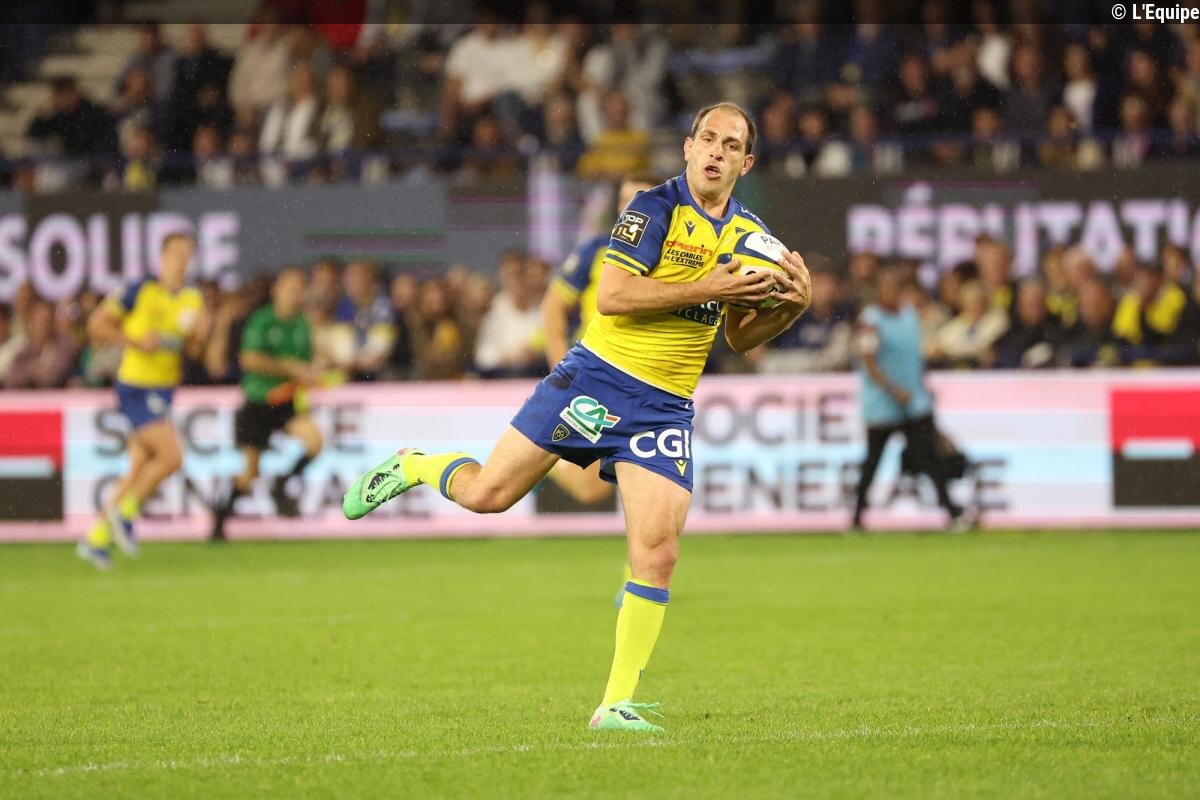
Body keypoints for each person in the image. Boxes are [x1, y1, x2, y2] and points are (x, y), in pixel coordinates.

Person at [340, 102, 812, 732]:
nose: (717, 152)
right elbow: (612, 297)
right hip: (596, 379)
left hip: (664, 407)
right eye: (708, 138)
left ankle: (614, 704)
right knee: (487, 495)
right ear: (688, 146)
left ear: (746, 163)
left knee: (657, 553)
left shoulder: (751, 237)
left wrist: (792, 307)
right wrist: (710, 287)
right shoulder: (653, 208)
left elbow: (739, 338)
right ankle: (414, 465)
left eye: (731, 145)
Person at [78, 233, 209, 569]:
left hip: (164, 389)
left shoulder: (193, 299)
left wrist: (200, 336)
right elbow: (96, 325)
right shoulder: (139, 290)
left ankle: (96, 539)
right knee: (171, 457)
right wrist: (134, 341)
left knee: (138, 467)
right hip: (136, 386)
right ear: (162, 257)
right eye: (176, 253)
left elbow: (194, 351)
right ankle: (125, 514)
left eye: (187, 253)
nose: (181, 260)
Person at [540, 172, 658, 505]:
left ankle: (539, 457)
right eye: (624, 201)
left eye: (640, 200)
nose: (630, 208)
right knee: (594, 488)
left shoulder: (678, 258)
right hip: (596, 373)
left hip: (650, 379)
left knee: (647, 481)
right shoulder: (597, 250)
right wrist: (561, 371)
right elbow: (553, 308)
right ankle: (541, 460)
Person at [210, 268, 323, 541]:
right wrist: (290, 368)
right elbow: (249, 359)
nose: (294, 293)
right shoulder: (262, 320)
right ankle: (221, 516)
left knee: (315, 441)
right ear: (276, 291)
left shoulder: (302, 324)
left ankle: (282, 484)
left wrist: (312, 372)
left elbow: (308, 361)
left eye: (299, 288)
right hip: (258, 402)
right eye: (289, 287)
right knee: (250, 472)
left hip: (286, 401)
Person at [851, 266, 965, 532]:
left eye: (895, 286)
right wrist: (894, 389)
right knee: (873, 462)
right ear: (878, 290)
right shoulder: (871, 321)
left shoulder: (909, 316)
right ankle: (857, 516)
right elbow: (869, 362)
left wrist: (921, 388)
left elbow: (915, 357)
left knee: (929, 457)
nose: (891, 292)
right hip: (883, 404)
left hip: (913, 400)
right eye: (886, 286)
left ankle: (951, 510)